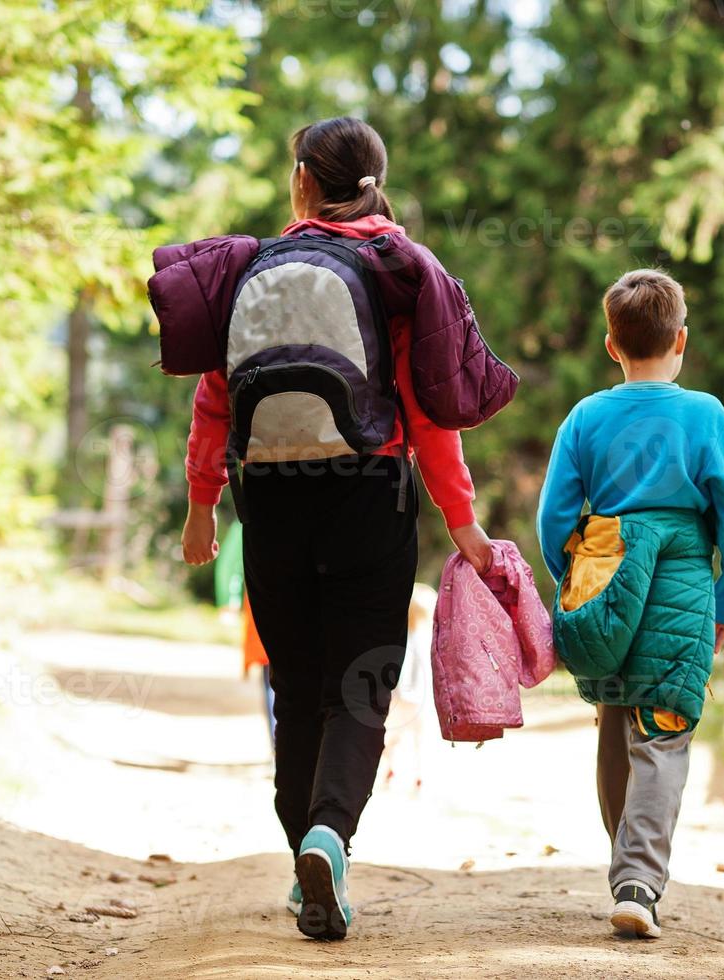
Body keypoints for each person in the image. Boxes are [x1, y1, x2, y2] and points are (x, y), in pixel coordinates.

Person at [163, 116, 516, 940]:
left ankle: (303, 863)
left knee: (296, 686)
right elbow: (430, 416)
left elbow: (213, 398)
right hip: (369, 490)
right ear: (373, 183)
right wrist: (459, 522)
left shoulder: (251, 267)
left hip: (271, 497)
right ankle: (330, 835)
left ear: (299, 183)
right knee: (360, 683)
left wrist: (200, 503)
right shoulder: (392, 270)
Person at [536, 268, 724, 939]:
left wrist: (578, 585)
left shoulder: (587, 416)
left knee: (612, 720)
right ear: (680, 340)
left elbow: (553, 519)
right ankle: (638, 878)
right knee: (660, 731)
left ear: (611, 344)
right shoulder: (705, 416)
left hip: (604, 574)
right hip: (681, 584)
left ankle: (625, 865)